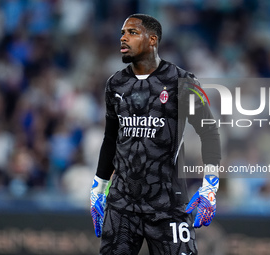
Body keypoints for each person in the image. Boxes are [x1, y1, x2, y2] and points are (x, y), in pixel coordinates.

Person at [90, 13, 221, 255]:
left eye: (132, 33)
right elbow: (110, 139)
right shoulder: (115, 84)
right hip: (121, 205)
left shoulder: (182, 81)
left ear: (152, 40)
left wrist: (210, 185)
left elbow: (209, 132)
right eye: (122, 33)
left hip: (168, 205)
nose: (123, 38)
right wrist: (98, 187)